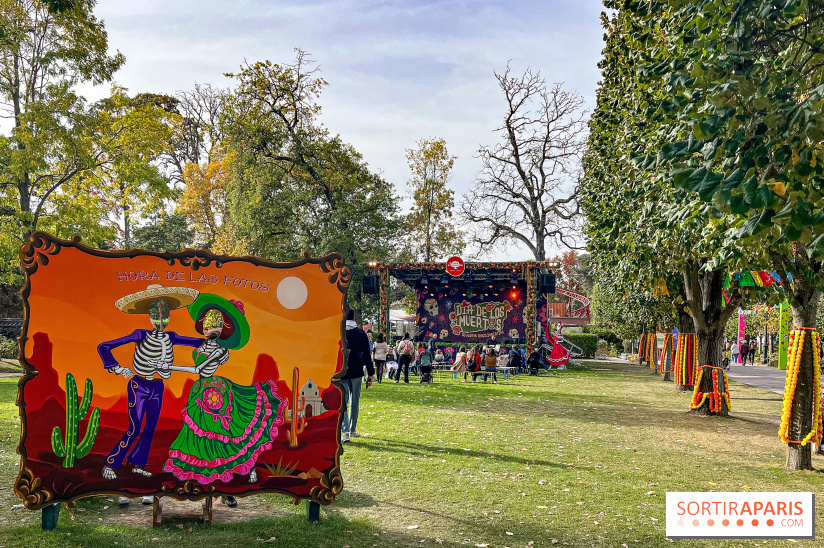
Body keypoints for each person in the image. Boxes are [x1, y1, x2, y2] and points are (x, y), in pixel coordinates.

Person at [163, 294, 284, 508]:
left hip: (216, 391)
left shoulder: (220, 350)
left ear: (222, 330)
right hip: (200, 393)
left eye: (216, 326)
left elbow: (197, 369)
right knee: (202, 438)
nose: (211, 329)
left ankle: (229, 487)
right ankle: (206, 485)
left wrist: (168, 367)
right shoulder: (201, 346)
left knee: (227, 435)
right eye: (208, 325)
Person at [97, 284, 203, 506]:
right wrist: (117, 367)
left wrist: (214, 342)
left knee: (150, 429)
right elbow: (104, 347)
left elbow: (197, 342)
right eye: (156, 312)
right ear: (149, 315)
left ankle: (137, 465)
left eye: (165, 313)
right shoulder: (140, 335)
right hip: (139, 386)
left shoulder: (171, 337)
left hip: (157, 387)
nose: (161, 318)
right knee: (134, 428)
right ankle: (112, 463)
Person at [341, 311, 375, 442]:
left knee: (342, 402)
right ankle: (353, 429)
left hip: (342, 370)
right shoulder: (361, 333)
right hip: (357, 370)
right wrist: (370, 373)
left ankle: (345, 431)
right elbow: (367, 354)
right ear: (354, 318)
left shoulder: (340, 332)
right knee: (355, 400)